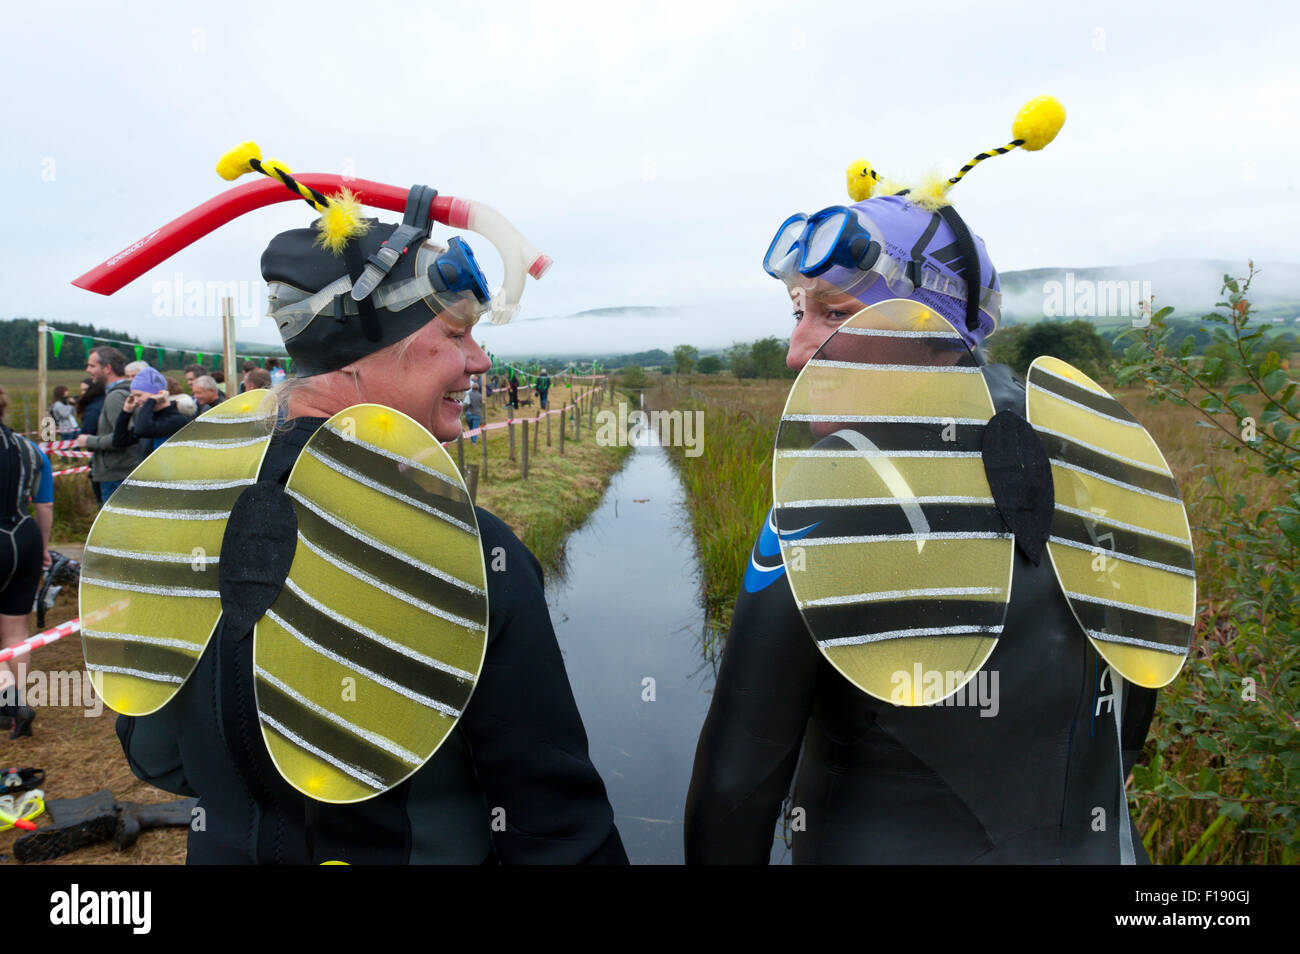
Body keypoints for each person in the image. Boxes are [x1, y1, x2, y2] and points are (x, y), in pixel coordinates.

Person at [686, 97, 1193, 864]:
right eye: (798, 313)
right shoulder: (1105, 451)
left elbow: (735, 786)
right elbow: (1133, 699)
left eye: (835, 313)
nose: (797, 352)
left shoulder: (833, 493)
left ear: (932, 329)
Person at [103, 145, 625, 864]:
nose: (480, 362)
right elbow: (559, 832)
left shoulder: (178, 509)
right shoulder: (469, 552)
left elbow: (155, 752)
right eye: (454, 334)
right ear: (362, 351)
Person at [0, 386, 53, 739]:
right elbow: (44, 505)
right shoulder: (29, 448)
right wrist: (45, 549)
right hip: (25, 538)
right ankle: (15, 705)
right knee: (16, 630)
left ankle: (8, 700)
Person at [74, 346, 136, 502]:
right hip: (119, 472)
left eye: (92, 366)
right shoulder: (123, 393)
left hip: (116, 474)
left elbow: (124, 436)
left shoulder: (115, 396)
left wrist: (89, 441)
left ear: (107, 368)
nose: (87, 370)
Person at [111, 366, 194, 456]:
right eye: (133, 396)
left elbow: (143, 430)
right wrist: (126, 411)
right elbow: (119, 441)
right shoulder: (151, 418)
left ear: (159, 394)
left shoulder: (176, 419)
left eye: (139, 395)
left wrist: (151, 401)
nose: (135, 400)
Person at [463, 375, 484, 443]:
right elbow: (481, 404)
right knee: (475, 428)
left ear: (472, 388)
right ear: (478, 388)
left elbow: (465, 404)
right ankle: (474, 441)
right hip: (477, 414)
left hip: (469, 414)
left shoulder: (468, 395)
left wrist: (465, 411)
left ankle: (472, 438)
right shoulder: (480, 396)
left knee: (471, 427)